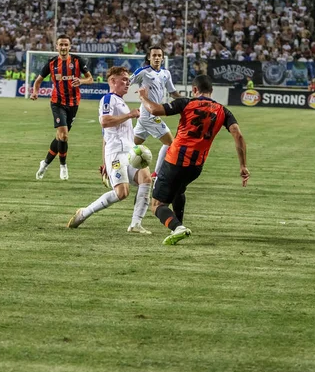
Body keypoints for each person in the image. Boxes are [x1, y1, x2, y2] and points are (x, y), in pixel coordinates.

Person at [137, 75, 249, 245]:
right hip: (196, 167)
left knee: (157, 205)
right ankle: (179, 224)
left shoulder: (186, 103)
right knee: (178, 190)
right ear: (211, 91)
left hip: (175, 161)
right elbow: (238, 135)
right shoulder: (223, 111)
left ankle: (177, 227)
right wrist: (243, 166)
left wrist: (143, 97)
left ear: (195, 90)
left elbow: (154, 110)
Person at [67, 66, 152, 234]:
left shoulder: (121, 102)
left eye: (128, 80)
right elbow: (105, 122)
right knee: (122, 193)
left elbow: (104, 135)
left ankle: (135, 224)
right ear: (113, 81)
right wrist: (129, 115)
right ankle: (84, 213)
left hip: (130, 151)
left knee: (146, 179)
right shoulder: (108, 99)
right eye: (124, 80)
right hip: (116, 154)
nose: (128, 83)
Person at [32, 34, 94, 180]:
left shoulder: (78, 61)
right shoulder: (52, 63)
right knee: (64, 135)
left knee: (60, 137)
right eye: (61, 45)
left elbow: (90, 79)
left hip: (73, 103)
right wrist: (35, 92)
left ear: (70, 46)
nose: (64, 47)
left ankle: (45, 163)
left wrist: (81, 81)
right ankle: (63, 166)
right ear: (57, 46)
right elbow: (38, 80)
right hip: (57, 102)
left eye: (66, 45)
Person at [130, 46, 182, 179]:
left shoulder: (166, 73)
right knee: (171, 143)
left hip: (150, 114)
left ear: (163, 58)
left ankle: (118, 166)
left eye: (159, 55)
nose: (157, 58)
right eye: (154, 55)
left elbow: (173, 92)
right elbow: (127, 82)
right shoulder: (143, 72)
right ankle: (157, 174)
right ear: (149, 57)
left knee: (131, 145)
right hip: (149, 115)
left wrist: (188, 101)